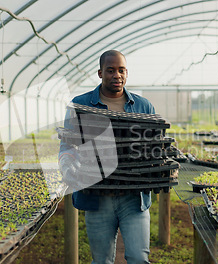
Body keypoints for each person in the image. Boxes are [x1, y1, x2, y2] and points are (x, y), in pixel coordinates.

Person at [59, 50, 155, 264]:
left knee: (138, 258)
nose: (117, 75)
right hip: (97, 196)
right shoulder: (80, 105)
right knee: (101, 260)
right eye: (111, 71)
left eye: (121, 70)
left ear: (127, 73)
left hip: (133, 197)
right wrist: (67, 165)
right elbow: (67, 143)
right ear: (100, 73)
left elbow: (154, 146)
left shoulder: (143, 107)